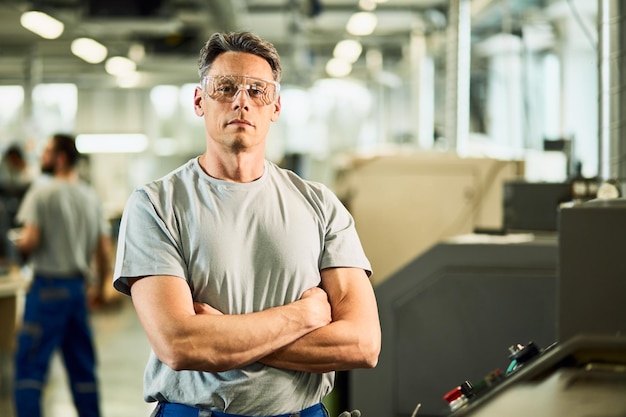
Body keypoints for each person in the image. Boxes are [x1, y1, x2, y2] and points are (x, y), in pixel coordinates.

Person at [112, 31, 381, 417]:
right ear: (199, 101)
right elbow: (179, 345)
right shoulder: (155, 205)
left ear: (275, 106)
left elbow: (362, 344)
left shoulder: (321, 205)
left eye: (258, 90)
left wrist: (223, 339)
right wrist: (304, 317)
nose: (242, 100)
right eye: (226, 87)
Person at [13, 133, 112, 417]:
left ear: (60, 158)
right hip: (77, 292)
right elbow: (102, 250)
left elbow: (30, 240)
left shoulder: (41, 192)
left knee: (30, 370)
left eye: (46, 151)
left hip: (46, 289)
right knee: (83, 370)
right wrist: (99, 288)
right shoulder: (90, 196)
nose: (41, 157)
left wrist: (17, 246)